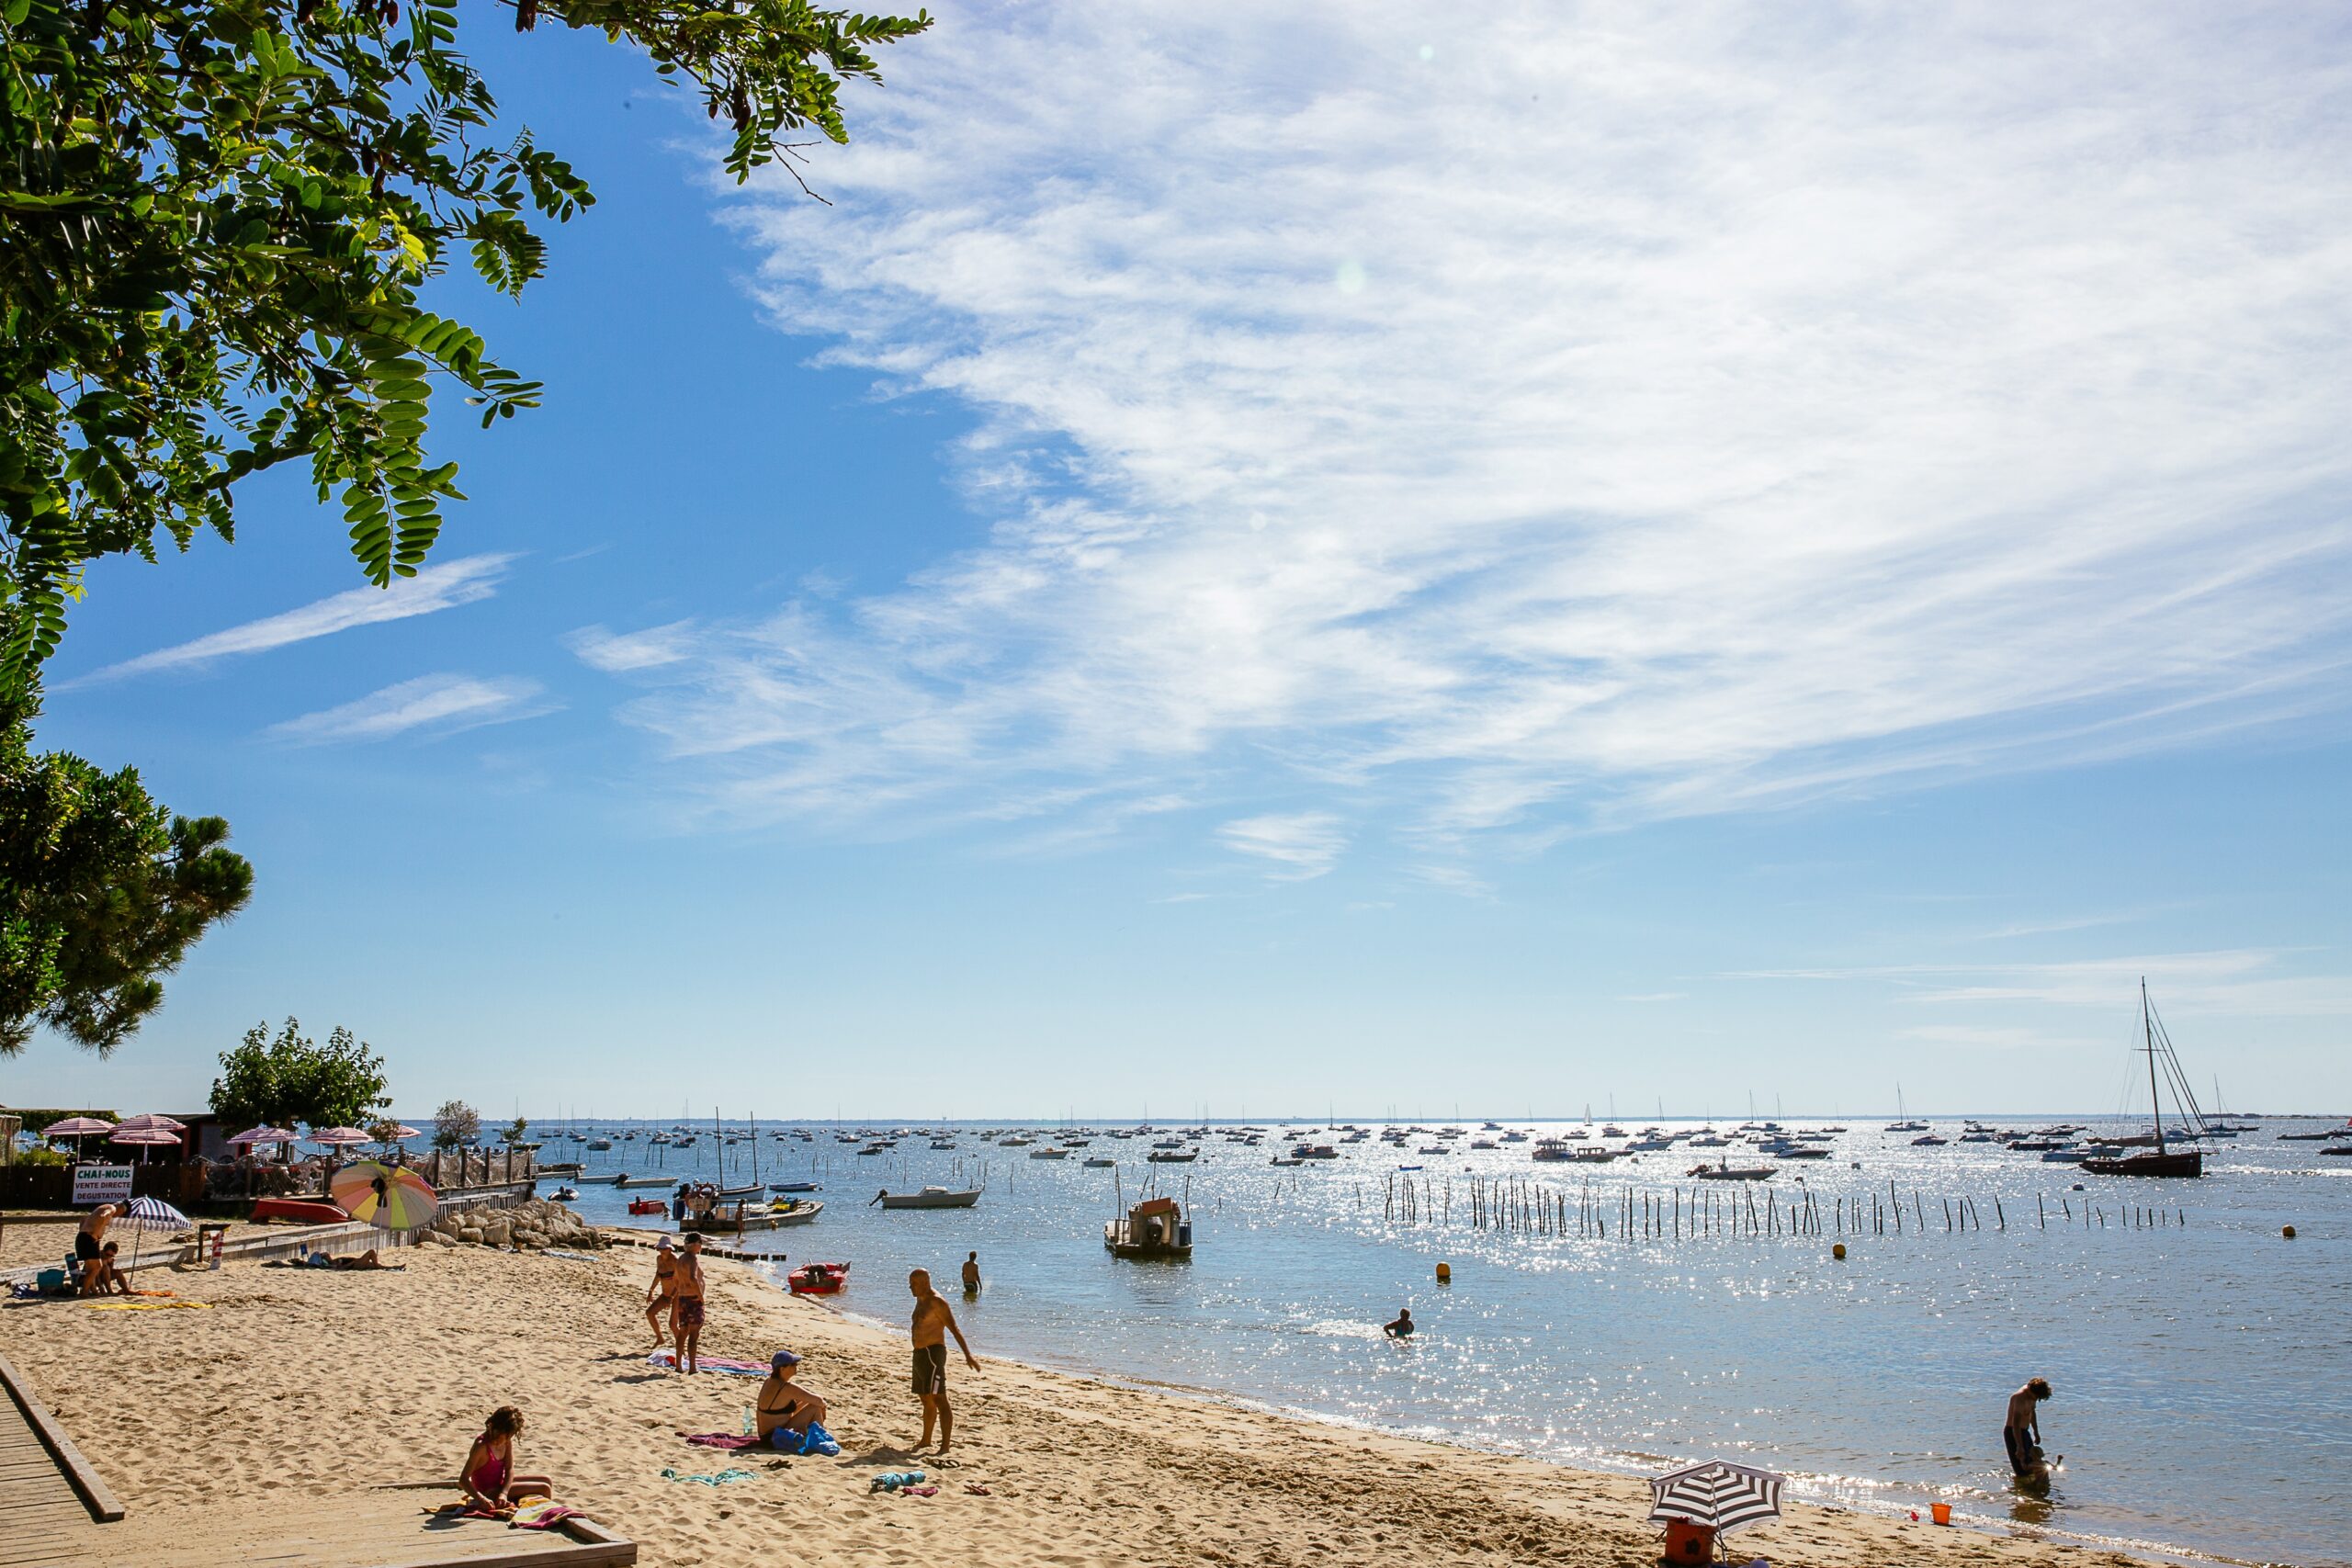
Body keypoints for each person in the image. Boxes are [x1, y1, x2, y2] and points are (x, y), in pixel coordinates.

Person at [909, 1267, 979, 1454]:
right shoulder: (920, 1299)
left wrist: (968, 1355)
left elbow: (954, 1328)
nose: (910, 1287)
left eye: (914, 1283)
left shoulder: (937, 1302)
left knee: (940, 1398)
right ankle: (926, 1440)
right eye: (910, 1283)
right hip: (919, 1354)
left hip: (933, 1354)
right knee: (925, 1398)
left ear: (925, 1282)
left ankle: (945, 1446)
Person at [460, 1406, 552, 1518]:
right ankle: (546, 1518)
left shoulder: (506, 1442)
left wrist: (504, 1493)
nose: (499, 1442)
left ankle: (541, 1511)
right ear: (492, 1426)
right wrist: (481, 1499)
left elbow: (509, 1469)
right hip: (488, 1491)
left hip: (500, 1484)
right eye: (498, 1438)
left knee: (547, 1479)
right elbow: (463, 1479)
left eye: (504, 1439)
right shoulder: (482, 1446)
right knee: (544, 1488)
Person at [755, 1349, 828, 1447]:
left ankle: (817, 1437)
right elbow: (819, 1401)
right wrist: (823, 1408)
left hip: (765, 1436)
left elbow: (782, 1412)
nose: (796, 1366)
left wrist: (813, 1403)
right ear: (782, 1369)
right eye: (793, 1364)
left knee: (810, 1402)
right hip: (775, 1438)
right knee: (815, 1408)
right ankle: (820, 1441)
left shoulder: (769, 1381)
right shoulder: (786, 1388)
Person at [670, 1235, 707, 1373]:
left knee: (682, 1332)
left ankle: (678, 1365)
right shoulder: (692, 1258)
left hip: (683, 1298)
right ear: (695, 1244)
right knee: (694, 1334)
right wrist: (700, 1296)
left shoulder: (681, 1259)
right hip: (693, 1299)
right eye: (700, 1243)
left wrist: (681, 1290)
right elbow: (693, 1277)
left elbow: (675, 1279)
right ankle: (692, 1367)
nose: (701, 1246)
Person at [2004, 1377, 2053, 1476]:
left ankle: (2036, 1486)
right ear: (2031, 1391)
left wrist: (2036, 1432)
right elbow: (2015, 1424)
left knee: (2034, 1461)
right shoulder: (2020, 1398)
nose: (2036, 1400)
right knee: (2021, 1469)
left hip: (2025, 1431)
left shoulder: (2032, 1396)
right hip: (2013, 1432)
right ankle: (2022, 1489)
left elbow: (2032, 1412)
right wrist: (2019, 1446)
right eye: (2037, 1397)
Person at [74, 1202, 119, 1291]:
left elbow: (83, 1219)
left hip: (85, 1237)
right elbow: (104, 1214)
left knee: (91, 1268)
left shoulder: (96, 1212)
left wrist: (83, 1231)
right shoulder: (112, 1208)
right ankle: (84, 1292)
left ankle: (91, 1290)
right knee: (97, 1267)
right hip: (90, 1238)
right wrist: (95, 1234)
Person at [645, 1238, 678, 1347]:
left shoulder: (675, 1260)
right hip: (666, 1294)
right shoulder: (659, 1259)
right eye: (660, 1248)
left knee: (672, 1325)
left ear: (669, 1249)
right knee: (650, 1313)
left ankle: (681, 1348)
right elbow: (658, 1275)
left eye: (664, 1249)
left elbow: (681, 1281)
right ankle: (660, 1338)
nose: (662, 1251)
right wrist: (651, 1290)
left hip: (677, 1295)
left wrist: (672, 1297)